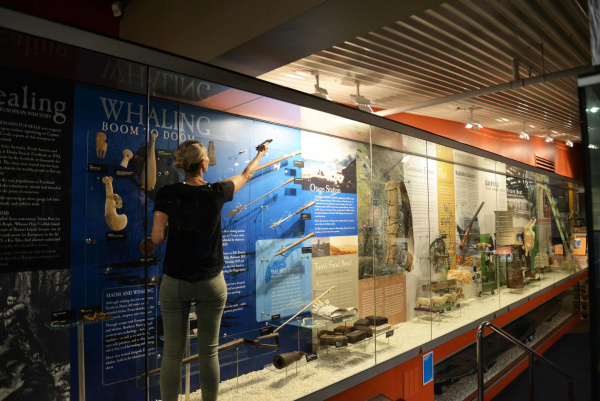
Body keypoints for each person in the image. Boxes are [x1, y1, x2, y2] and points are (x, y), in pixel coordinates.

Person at [151, 139, 269, 401]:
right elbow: (246, 174)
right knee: (209, 351)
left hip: (175, 281)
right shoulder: (218, 191)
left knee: (172, 352)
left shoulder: (167, 193)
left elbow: (157, 238)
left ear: (182, 166)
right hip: (211, 282)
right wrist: (261, 153)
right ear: (204, 164)